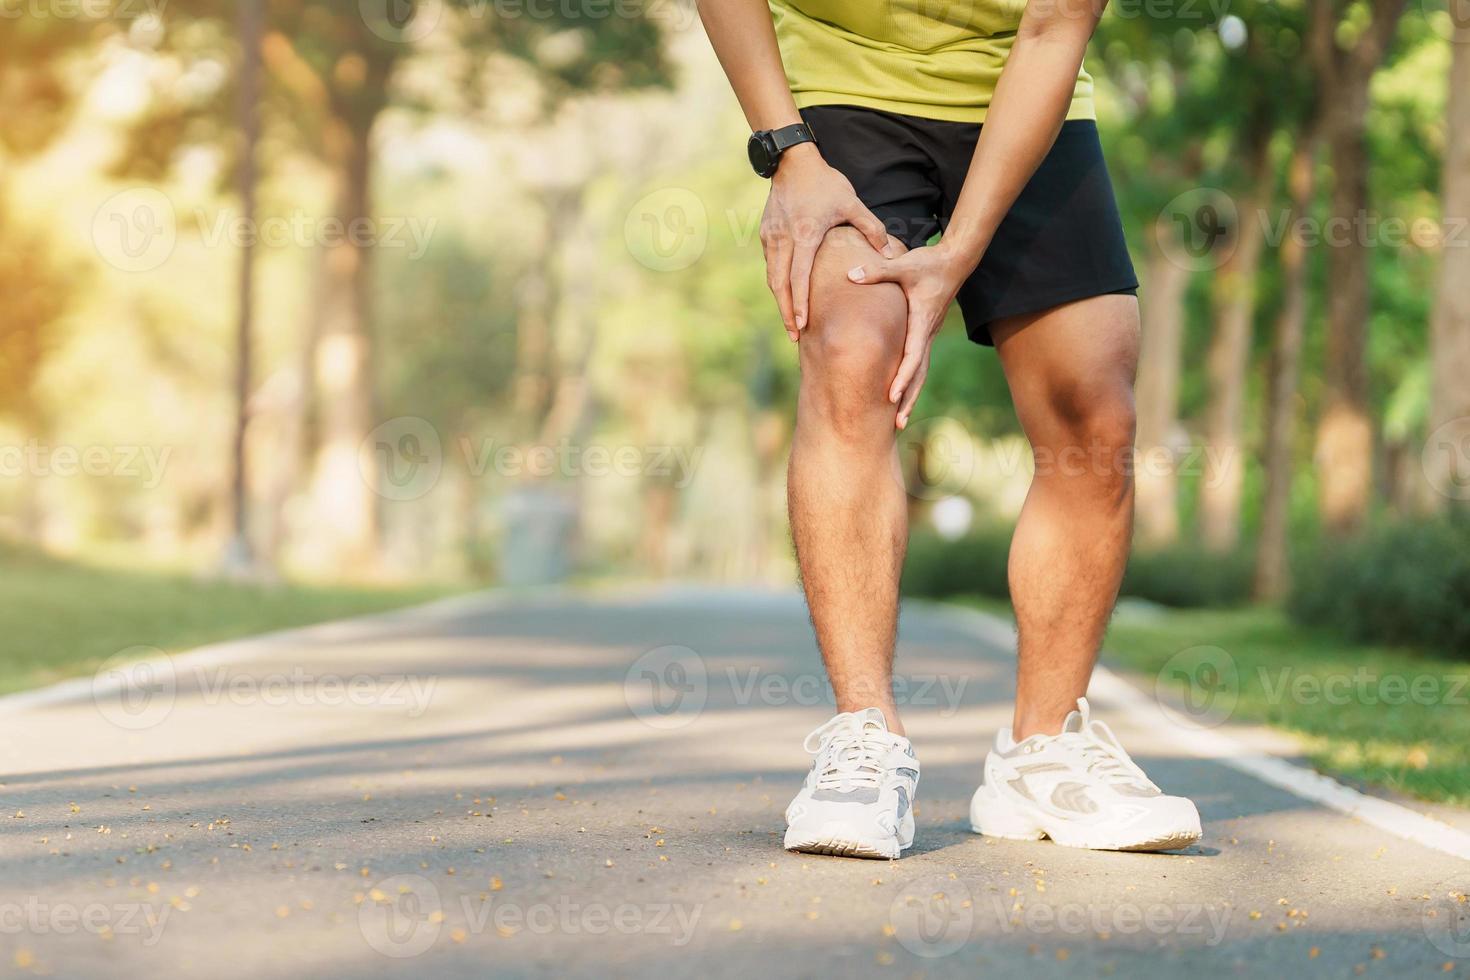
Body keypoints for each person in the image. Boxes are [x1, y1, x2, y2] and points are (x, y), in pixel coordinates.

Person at [698, 0, 1203, 857]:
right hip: (841, 88)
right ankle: (864, 738)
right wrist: (787, 151)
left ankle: (1041, 753)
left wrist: (958, 252)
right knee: (853, 351)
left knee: (1095, 405)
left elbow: (1056, 24)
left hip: (1022, 88)